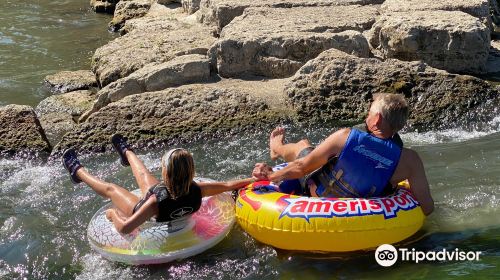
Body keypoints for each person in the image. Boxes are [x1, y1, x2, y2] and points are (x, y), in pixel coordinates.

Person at [253, 93, 434, 215]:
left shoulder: (345, 137)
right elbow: (427, 207)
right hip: (363, 213)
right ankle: (277, 148)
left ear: (377, 119)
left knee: (303, 146)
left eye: (369, 113)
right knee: (309, 149)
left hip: (316, 201)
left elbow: (301, 168)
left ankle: (277, 147)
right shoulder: (410, 160)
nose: (366, 117)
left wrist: (270, 175)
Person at [62, 134, 255, 234]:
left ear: (166, 174)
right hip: (167, 198)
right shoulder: (198, 189)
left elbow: (126, 228)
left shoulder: (154, 202)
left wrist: (113, 214)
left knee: (111, 189)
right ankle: (126, 152)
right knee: (144, 173)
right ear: (190, 172)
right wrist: (255, 180)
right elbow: (230, 184)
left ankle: (78, 171)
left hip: (148, 210)